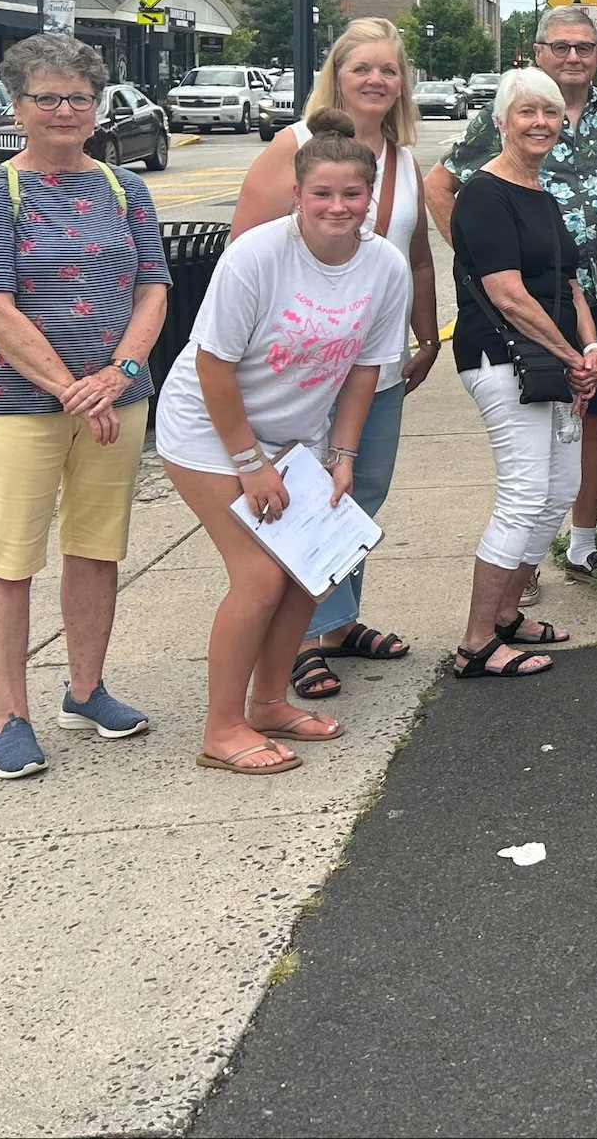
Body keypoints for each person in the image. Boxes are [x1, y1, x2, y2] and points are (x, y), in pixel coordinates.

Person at [156, 109, 410, 773]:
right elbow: (212, 366)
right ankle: (222, 727)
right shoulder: (256, 256)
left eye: (351, 194)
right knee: (261, 575)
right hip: (210, 427)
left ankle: (270, 702)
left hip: (298, 434)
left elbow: (364, 369)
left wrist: (343, 456)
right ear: (298, 195)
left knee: (310, 565)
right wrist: (249, 465)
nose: (337, 207)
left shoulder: (384, 266)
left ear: (371, 196)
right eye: (321, 194)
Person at [0, 34, 169, 780]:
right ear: (18, 104)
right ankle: (8, 715)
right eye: (46, 97)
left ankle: (86, 689)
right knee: (9, 554)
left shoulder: (124, 189)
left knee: (96, 547)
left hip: (117, 399)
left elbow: (153, 287)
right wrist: (69, 388)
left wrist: (120, 371)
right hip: (17, 402)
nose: (64, 110)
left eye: (79, 97)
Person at [229, 18, 441, 702]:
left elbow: (414, 256)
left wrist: (428, 334)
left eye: (389, 70)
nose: (378, 80)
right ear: (337, 75)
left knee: (361, 492)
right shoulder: (293, 147)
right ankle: (302, 639)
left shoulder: (403, 158)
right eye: (363, 69)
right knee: (304, 500)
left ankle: (340, 618)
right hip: (302, 367)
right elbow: (244, 253)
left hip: (376, 366)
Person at [427, 4, 597, 595]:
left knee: (593, 422)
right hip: (523, 311)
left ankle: (581, 541)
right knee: (528, 447)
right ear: (538, 50)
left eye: (585, 48)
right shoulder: (504, 115)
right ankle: (515, 567)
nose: (573, 57)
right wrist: (483, 264)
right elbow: (440, 183)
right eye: (561, 47)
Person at [446, 70, 597, 681]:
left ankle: (508, 614)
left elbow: (568, 282)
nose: (540, 123)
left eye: (552, 113)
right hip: (502, 360)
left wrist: (590, 352)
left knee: (559, 489)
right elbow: (507, 294)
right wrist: (568, 355)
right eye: (527, 112)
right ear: (501, 121)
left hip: (552, 360)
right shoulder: (484, 194)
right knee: (523, 492)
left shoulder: (541, 192)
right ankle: (476, 641)